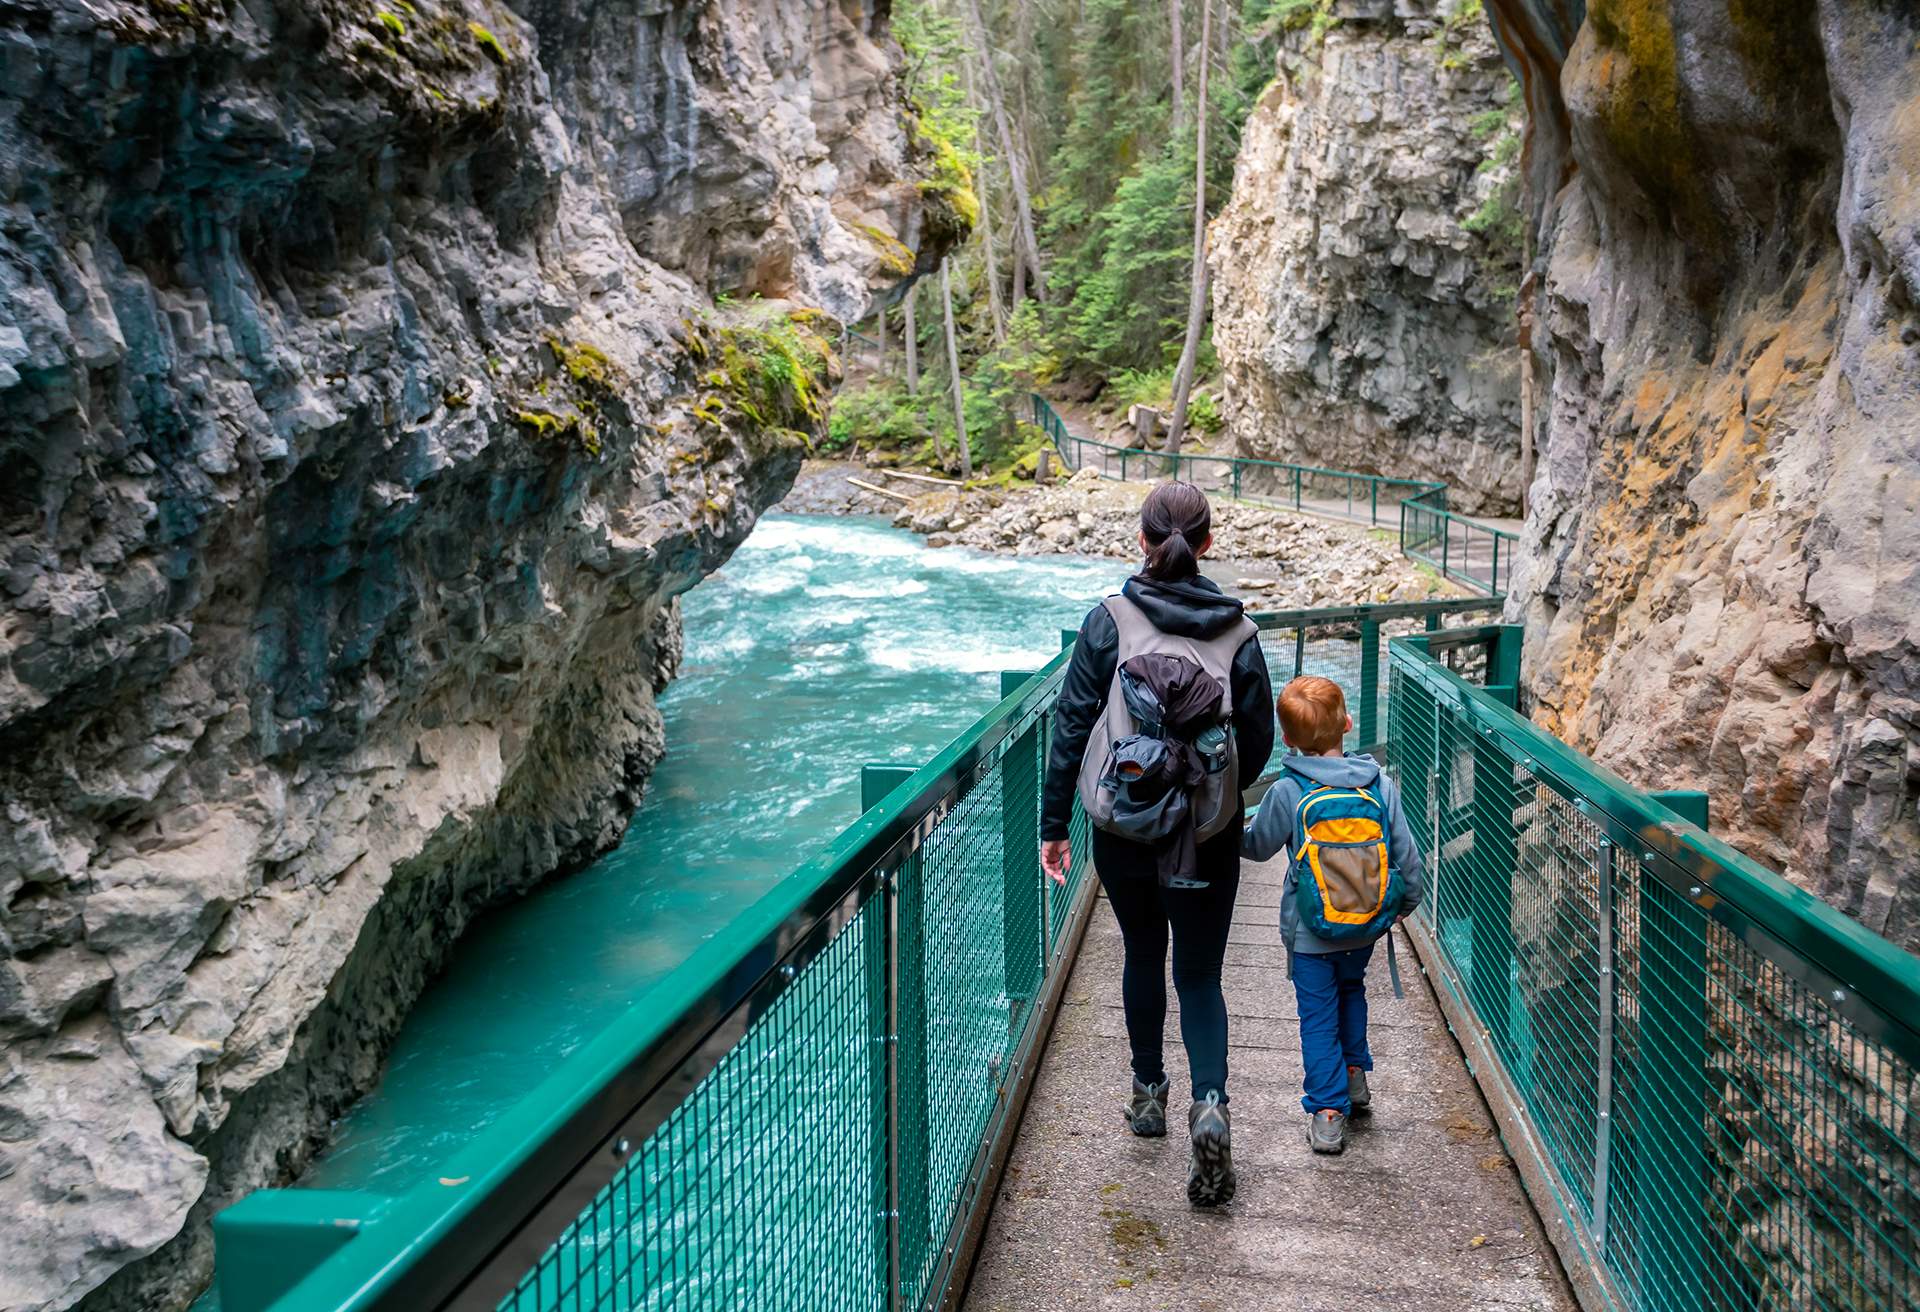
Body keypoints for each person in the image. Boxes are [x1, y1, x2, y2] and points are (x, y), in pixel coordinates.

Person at [1039, 482, 1273, 1207]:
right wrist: (1213, 799)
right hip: (1206, 833)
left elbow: (1072, 726)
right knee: (1200, 976)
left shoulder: (1107, 622)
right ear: (1207, 544)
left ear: (1141, 540)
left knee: (1144, 952)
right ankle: (1210, 1102)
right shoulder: (1240, 633)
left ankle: (1148, 1096)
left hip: (1126, 826)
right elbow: (1258, 746)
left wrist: (1054, 825)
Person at [1242, 675, 1426, 1155]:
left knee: (1317, 1016)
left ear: (1287, 739)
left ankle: (1327, 1110)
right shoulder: (1380, 782)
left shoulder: (1287, 790)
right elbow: (1408, 860)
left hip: (1310, 931)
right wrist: (1397, 909)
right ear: (1347, 723)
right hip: (1364, 925)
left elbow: (1258, 848)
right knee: (1352, 990)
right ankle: (1354, 1076)